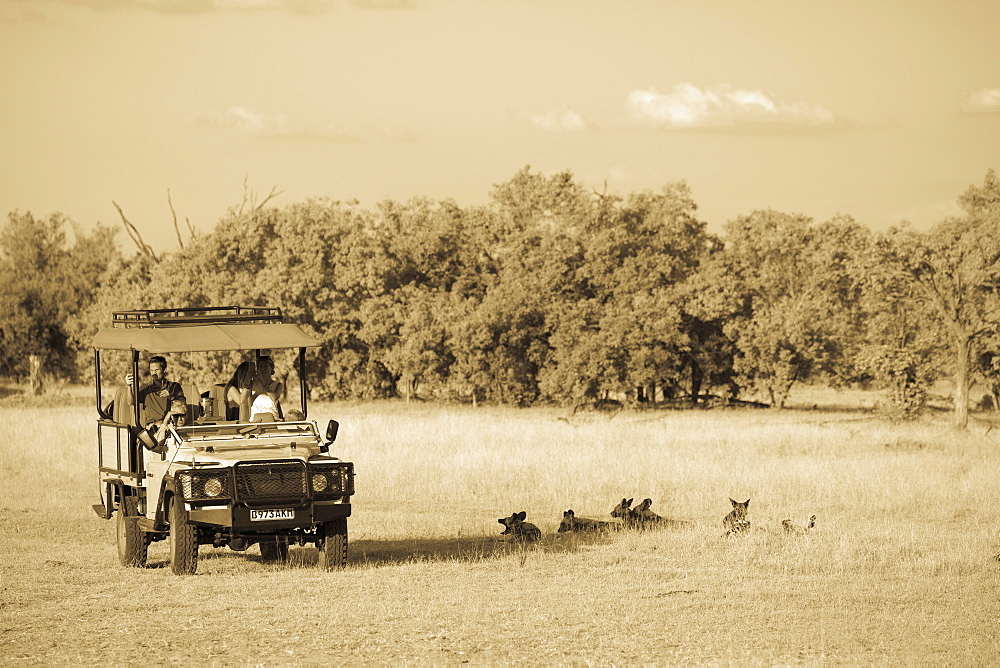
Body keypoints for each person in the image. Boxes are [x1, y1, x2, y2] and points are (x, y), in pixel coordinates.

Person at [124, 355, 186, 427]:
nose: (154, 373)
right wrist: (128, 386)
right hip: (154, 427)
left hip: (171, 425)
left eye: (157, 370)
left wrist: (171, 397)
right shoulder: (145, 388)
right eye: (151, 370)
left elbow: (182, 404)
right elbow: (130, 402)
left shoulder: (174, 386)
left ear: (164, 370)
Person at [249, 356, 284, 422]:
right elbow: (249, 403)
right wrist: (258, 392)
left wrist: (261, 382)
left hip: (272, 418)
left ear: (271, 368)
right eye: (260, 367)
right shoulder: (252, 384)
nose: (263, 369)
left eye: (265, 366)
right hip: (255, 418)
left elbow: (274, 398)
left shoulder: (278, 385)